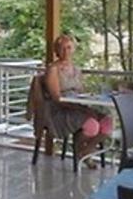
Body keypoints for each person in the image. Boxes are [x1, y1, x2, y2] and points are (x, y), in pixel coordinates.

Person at [42, 35, 112, 165]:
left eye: (69, 47)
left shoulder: (76, 69)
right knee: (92, 124)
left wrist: (88, 100)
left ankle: (86, 151)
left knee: (108, 122)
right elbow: (57, 99)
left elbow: (81, 92)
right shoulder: (53, 69)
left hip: (78, 106)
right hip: (60, 110)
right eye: (62, 48)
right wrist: (80, 108)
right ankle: (78, 149)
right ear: (56, 50)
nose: (66, 51)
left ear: (73, 49)